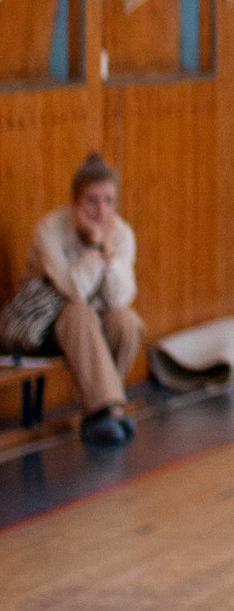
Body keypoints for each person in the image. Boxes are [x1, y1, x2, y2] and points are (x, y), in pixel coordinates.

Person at [5, 155, 146, 449]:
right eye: (92, 201)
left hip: (89, 332)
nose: (100, 211)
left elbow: (120, 298)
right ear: (74, 199)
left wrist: (110, 256)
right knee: (79, 313)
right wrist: (94, 248)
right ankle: (108, 410)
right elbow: (74, 291)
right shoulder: (51, 229)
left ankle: (102, 412)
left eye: (108, 201)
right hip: (42, 329)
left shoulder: (121, 234)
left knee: (127, 321)